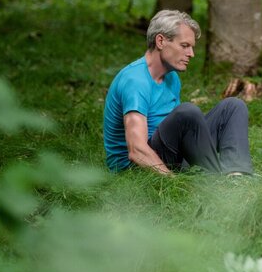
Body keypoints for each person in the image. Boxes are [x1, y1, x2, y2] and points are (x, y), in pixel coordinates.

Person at [103, 10, 254, 176]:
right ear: (160, 41)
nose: (191, 54)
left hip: (168, 155)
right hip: (136, 170)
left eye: (191, 47)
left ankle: (237, 176)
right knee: (187, 112)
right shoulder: (136, 81)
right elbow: (137, 150)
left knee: (233, 106)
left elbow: (177, 131)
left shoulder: (171, 77)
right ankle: (215, 184)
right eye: (184, 46)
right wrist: (175, 182)